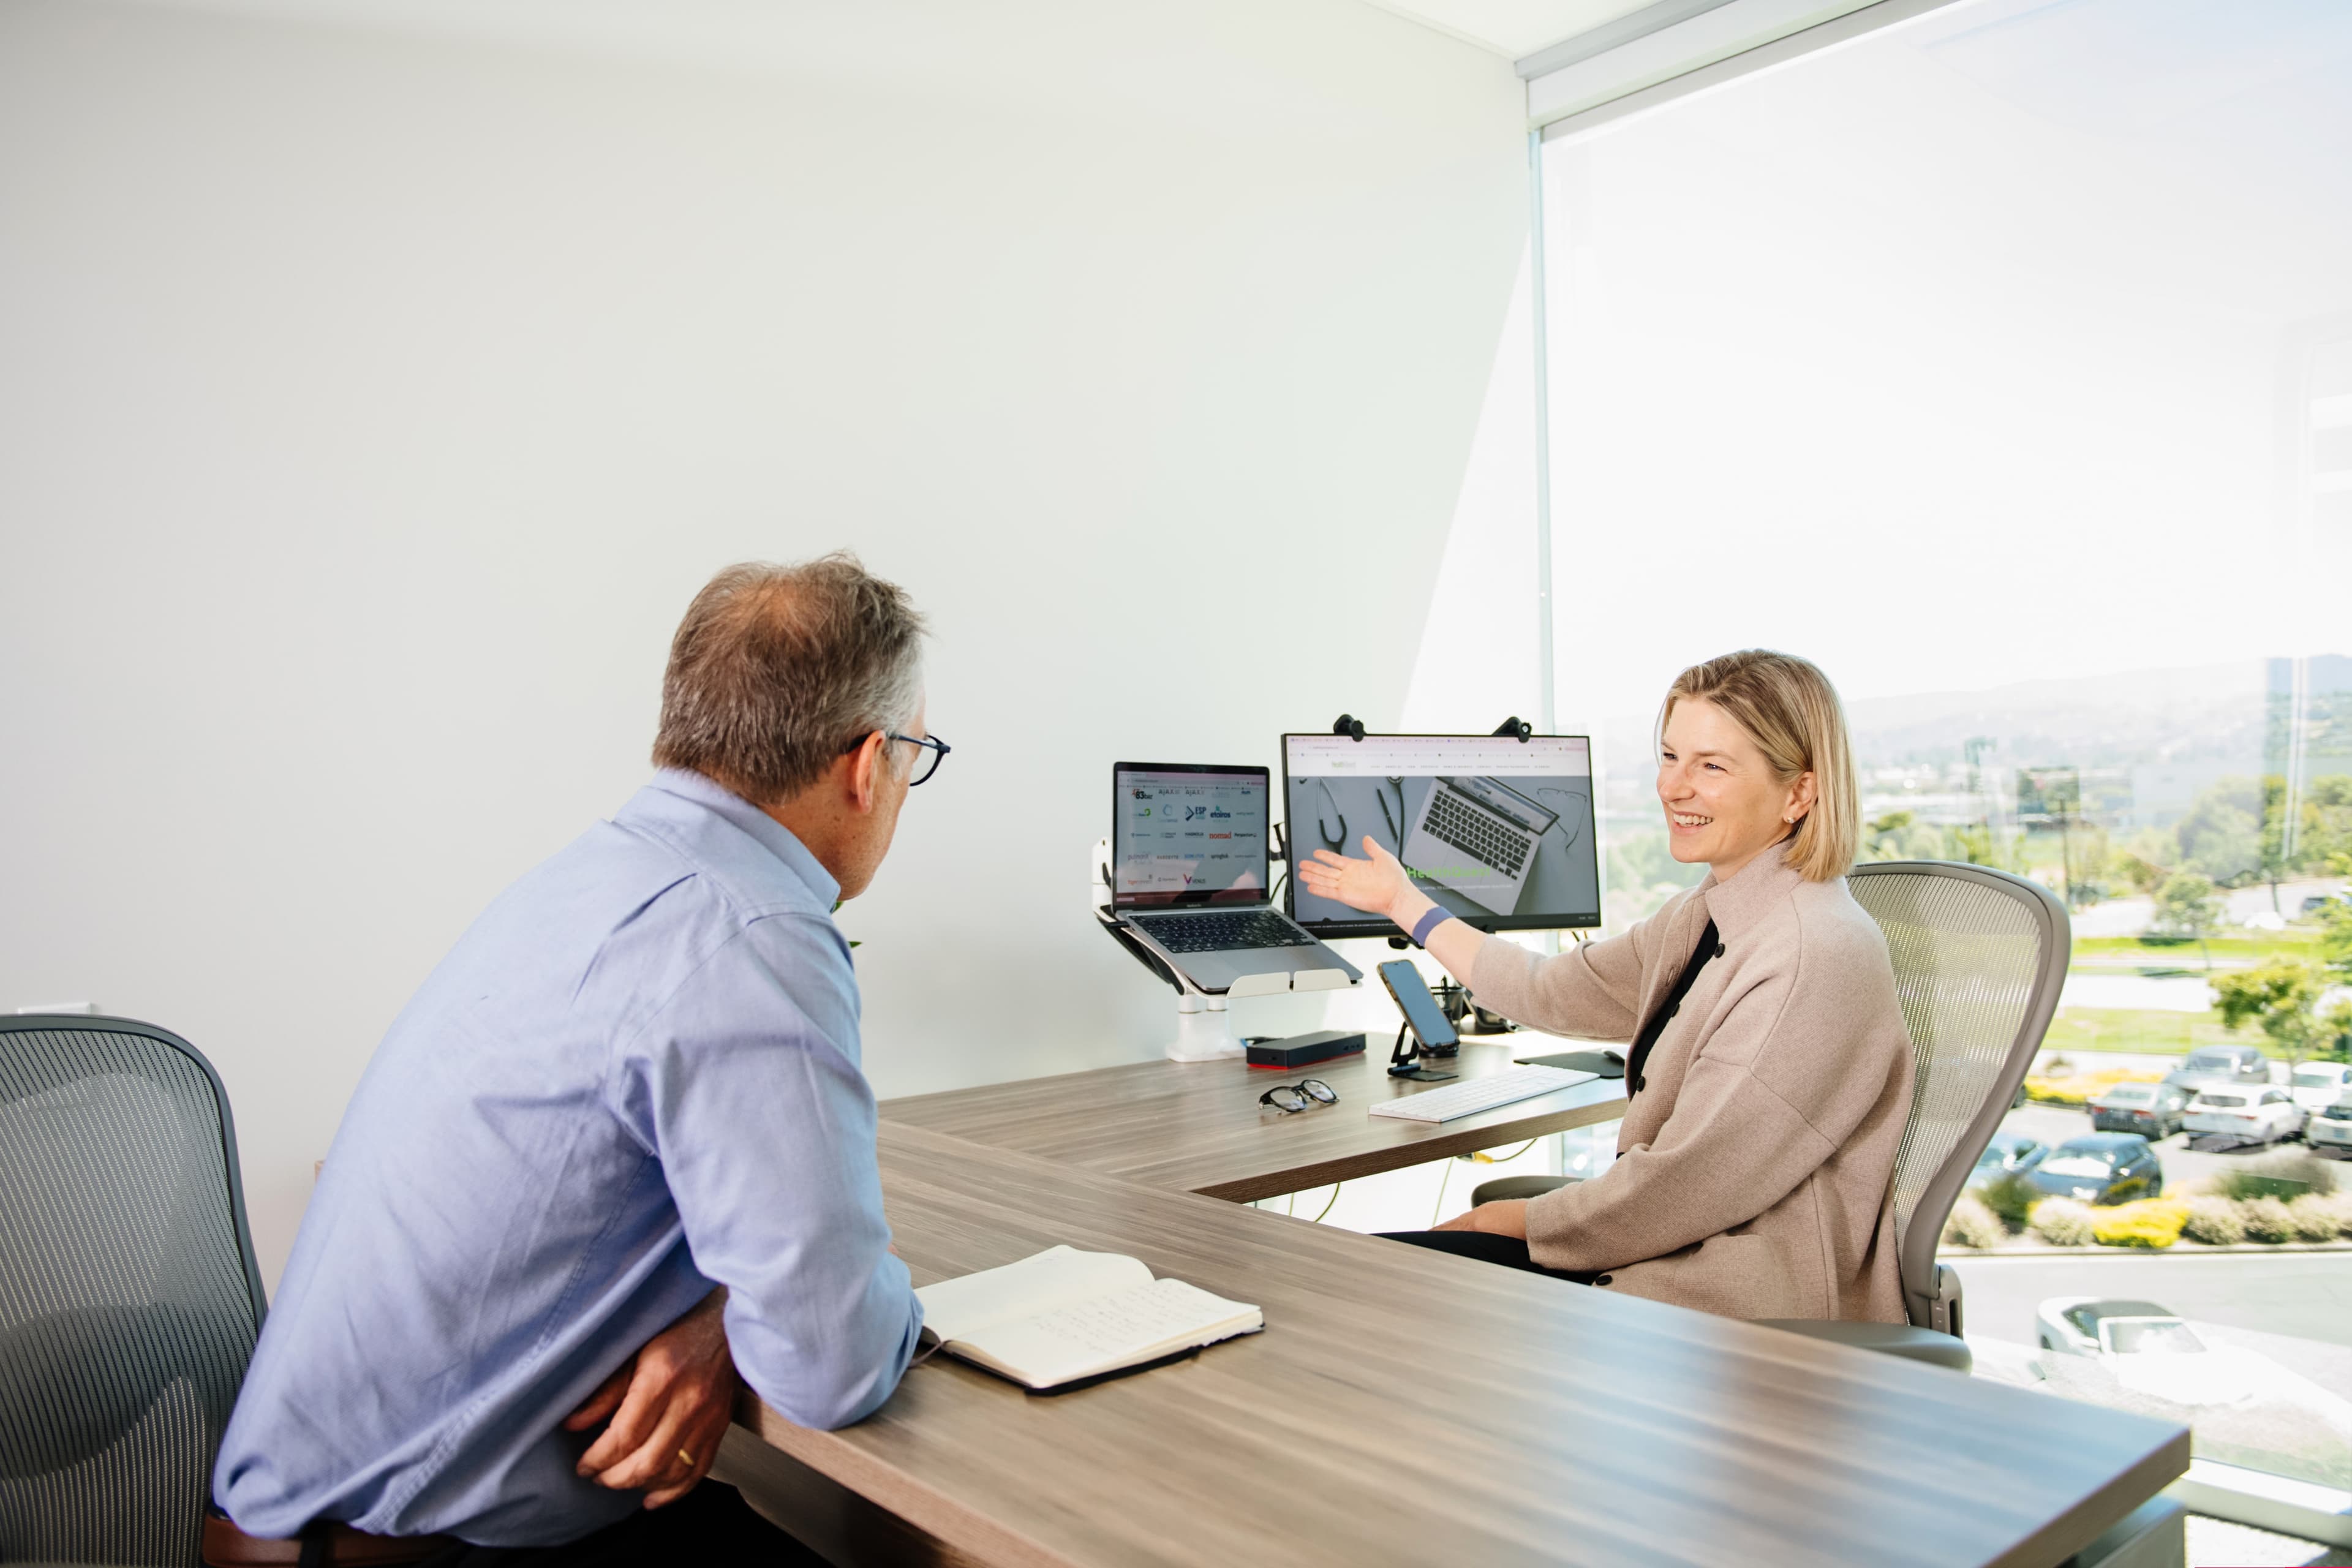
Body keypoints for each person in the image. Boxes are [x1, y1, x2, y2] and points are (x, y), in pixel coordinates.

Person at [214, 555, 947, 1559]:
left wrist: (722, 1314)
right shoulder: (752, 929)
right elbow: (830, 1363)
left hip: (300, 1522)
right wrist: (814, 1311)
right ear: (870, 766)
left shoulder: (597, 876)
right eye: (918, 756)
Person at [1298, 650, 1913, 1322]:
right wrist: (1406, 904)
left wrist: (1522, 1219)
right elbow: (1552, 990)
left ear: (1799, 792)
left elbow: (1687, 1185)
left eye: (1711, 766)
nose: (1674, 787)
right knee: (1352, 1283)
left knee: (1345, 1290)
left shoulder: (1808, 952)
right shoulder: (1707, 915)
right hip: (1665, 1248)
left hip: (1734, 1301)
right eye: (1671, 756)